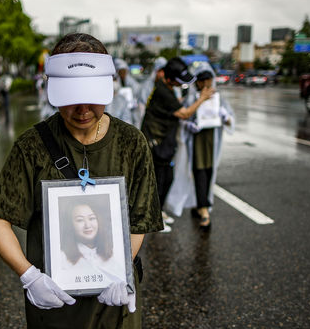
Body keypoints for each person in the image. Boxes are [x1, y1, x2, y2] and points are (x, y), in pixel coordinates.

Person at [0, 32, 162, 329]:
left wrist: (121, 268)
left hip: (111, 304)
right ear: (52, 89)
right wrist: (28, 275)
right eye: (70, 97)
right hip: (54, 304)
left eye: (92, 97)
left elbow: (139, 220)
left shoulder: (132, 144)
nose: (82, 109)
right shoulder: (32, 147)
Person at [140, 57, 214, 233]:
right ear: (171, 78)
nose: (182, 84)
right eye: (180, 80)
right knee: (159, 181)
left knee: (167, 179)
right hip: (157, 142)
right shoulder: (163, 92)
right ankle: (154, 219)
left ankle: (159, 212)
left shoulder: (166, 88)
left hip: (163, 140)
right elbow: (185, 113)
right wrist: (202, 98)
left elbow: (174, 107)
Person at [166, 65, 234, 230]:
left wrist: (225, 117)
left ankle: (200, 205)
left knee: (209, 172)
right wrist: (190, 125)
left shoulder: (219, 97)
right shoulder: (192, 98)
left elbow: (231, 120)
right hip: (196, 141)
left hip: (212, 141)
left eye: (208, 80)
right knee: (199, 172)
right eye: (201, 80)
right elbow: (183, 117)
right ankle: (204, 211)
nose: (205, 84)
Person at [58, 198, 124, 285]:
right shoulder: (62, 258)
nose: (88, 225)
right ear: (70, 225)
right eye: (80, 220)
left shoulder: (114, 252)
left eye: (92, 218)